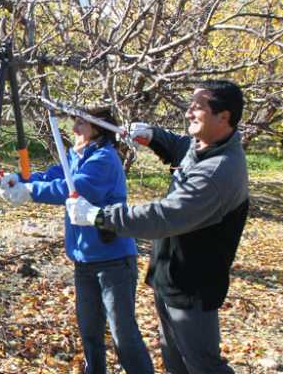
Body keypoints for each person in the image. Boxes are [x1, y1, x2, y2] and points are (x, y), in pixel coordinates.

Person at [74, 80, 248, 374]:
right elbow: (184, 149)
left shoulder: (219, 171)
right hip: (171, 277)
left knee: (203, 365)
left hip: (193, 285)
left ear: (224, 117)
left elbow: (163, 217)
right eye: (190, 105)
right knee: (175, 361)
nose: (189, 112)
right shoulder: (206, 145)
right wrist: (154, 137)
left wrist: (100, 216)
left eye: (199, 107)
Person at [0, 106, 154, 374]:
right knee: (90, 332)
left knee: (122, 333)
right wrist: (18, 180)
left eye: (81, 124)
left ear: (97, 130)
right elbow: (54, 175)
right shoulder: (77, 155)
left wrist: (30, 191)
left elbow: (73, 187)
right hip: (84, 262)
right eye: (75, 122)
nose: (74, 129)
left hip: (114, 262)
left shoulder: (104, 159)